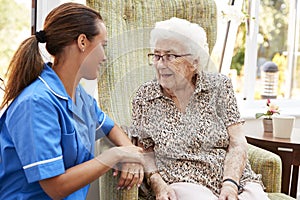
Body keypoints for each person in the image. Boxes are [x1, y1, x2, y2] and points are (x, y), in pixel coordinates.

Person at [0, 2, 144, 199]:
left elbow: (110, 127)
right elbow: (55, 187)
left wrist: (129, 154)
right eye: (103, 46)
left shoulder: (80, 97)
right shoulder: (36, 103)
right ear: (82, 42)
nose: (104, 57)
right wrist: (115, 155)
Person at [130, 17, 270, 200]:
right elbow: (145, 151)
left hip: (233, 180)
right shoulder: (145, 96)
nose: (160, 64)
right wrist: (158, 183)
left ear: (194, 61)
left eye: (170, 56)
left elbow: (237, 142)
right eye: (156, 56)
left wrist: (230, 184)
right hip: (182, 183)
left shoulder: (219, 87)